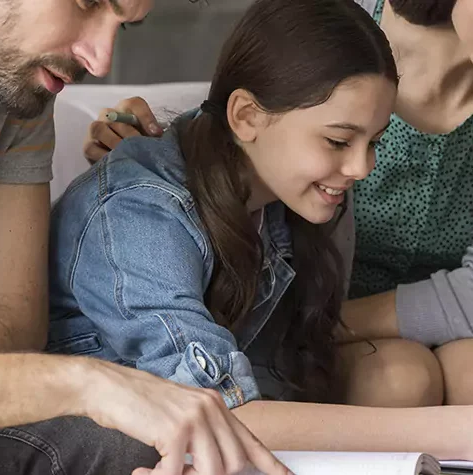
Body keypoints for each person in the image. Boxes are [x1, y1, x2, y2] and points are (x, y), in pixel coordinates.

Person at [55, 0, 473, 460]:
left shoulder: (279, 195)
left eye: (373, 142)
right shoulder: (141, 212)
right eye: (338, 141)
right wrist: (452, 432)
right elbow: (219, 413)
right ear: (246, 117)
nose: (362, 167)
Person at [0, 0, 287, 474]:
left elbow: (12, 318)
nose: (99, 60)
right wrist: (92, 384)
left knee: (130, 445)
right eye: (88, 2)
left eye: (124, 25)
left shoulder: (14, 91)